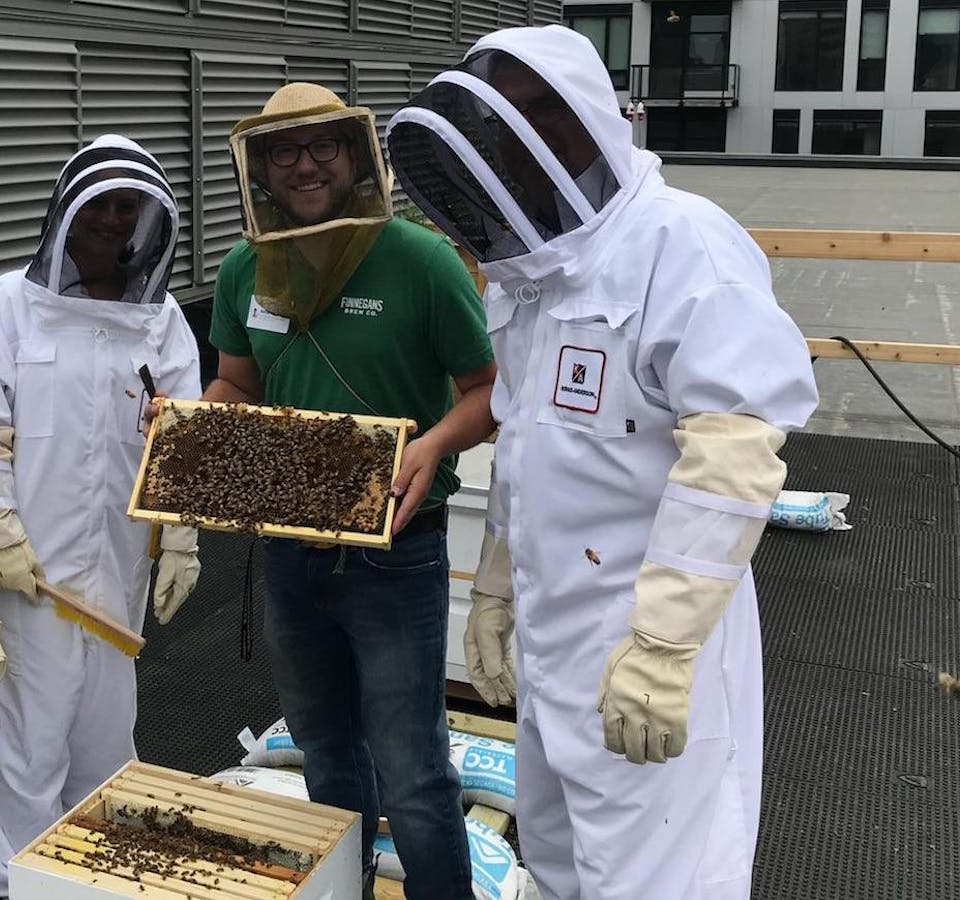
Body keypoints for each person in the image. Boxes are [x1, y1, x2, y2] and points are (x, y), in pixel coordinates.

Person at [386, 25, 819, 900]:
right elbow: (529, 447)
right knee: (557, 864)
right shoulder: (528, 281)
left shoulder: (681, 242)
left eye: (531, 121)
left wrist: (662, 644)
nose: (509, 153)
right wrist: (497, 589)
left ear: (580, 123)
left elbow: (734, 449)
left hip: (654, 646)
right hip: (557, 638)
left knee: (661, 877)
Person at [206, 83, 498, 899]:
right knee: (326, 752)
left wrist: (434, 440)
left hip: (397, 556)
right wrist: (191, 426)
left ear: (356, 155)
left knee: (411, 769)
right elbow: (237, 383)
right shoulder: (243, 269)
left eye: (322, 147)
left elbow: (487, 389)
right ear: (258, 167)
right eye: (284, 151)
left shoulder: (421, 261)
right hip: (290, 554)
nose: (305, 165)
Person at [0, 135, 203, 900]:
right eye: (98, 204)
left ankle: (82, 884)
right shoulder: (8, 307)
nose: (111, 220)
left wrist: (182, 537)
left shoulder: (160, 324)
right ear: (66, 212)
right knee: (28, 748)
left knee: (104, 746)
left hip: (117, 578)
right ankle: (2, 887)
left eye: (128, 208)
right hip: (30, 578)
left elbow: (183, 440)